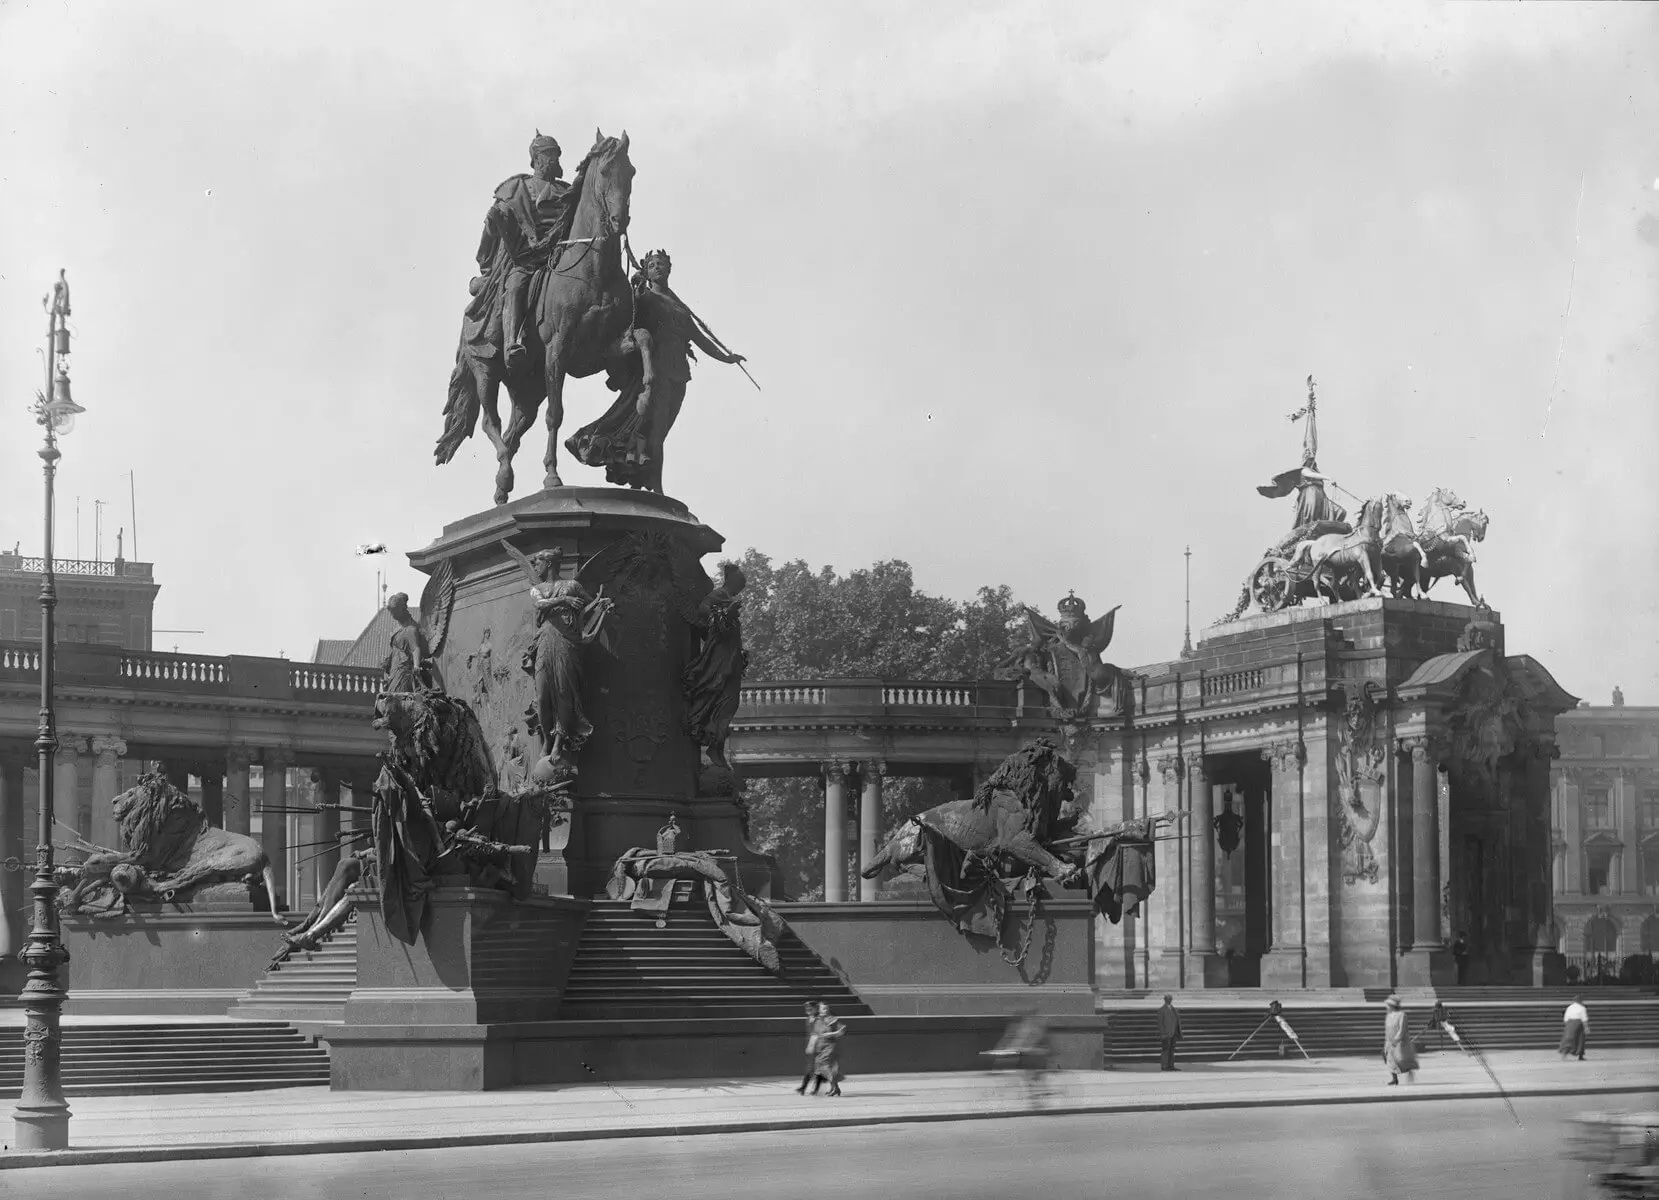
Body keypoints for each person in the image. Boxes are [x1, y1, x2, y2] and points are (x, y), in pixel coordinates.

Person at [806, 1001, 845, 1097]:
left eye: (827, 1008)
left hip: (829, 1047)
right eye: (823, 1008)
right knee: (822, 1068)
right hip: (821, 1047)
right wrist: (810, 1045)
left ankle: (835, 1087)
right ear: (819, 1009)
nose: (826, 1010)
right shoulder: (818, 1020)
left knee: (824, 1066)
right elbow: (816, 1034)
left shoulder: (833, 1019)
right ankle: (834, 1088)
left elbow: (841, 1031)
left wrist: (834, 1033)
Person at [1383, 995, 1418, 1085]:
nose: (1386, 1007)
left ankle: (1410, 1072)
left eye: (1388, 1005)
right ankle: (1394, 1079)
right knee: (1390, 1060)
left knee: (1402, 1060)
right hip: (1390, 1042)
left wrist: (1396, 1039)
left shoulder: (1402, 1015)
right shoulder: (1388, 1016)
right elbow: (1387, 1031)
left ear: (1392, 1006)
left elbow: (1402, 1029)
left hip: (1401, 1042)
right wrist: (1386, 1043)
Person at [794, 1000, 819, 1095]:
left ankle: (810, 1088)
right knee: (811, 1068)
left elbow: (816, 1034)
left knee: (815, 1068)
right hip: (811, 1046)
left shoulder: (818, 1019)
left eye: (810, 1008)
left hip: (817, 1047)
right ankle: (804, 1087)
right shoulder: (808, 1018)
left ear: (815, 1009)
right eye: (807, 1008)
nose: (807, 1009)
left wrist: (811, 1046)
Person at [1158, 994, 1183, 1072]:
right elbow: (1160, 1023)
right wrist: (1163, 1034)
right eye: (1168, 999)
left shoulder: (1173, 1009)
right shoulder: (1162, 1010)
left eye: (1171, 999)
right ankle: (1164, 1066)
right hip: (1166, 1034)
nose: (1170, 1000)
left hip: (1174, 1033)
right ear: (1165, 1000)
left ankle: (1171, 1065)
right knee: (1165, 1050)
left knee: (1172, 1050)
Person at [1560, 995, 1589, 1061]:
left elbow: (1566, 1018)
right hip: (1579, 1023)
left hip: (1570, 1023)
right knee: (1581, 1039)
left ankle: (1564, 1055)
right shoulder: (1582, 1008)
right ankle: (1580, 1056)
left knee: (1568, 1039)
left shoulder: (1569, 1007)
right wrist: (1586, 1027)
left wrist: (1567, 1025)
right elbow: (1584, 1018)